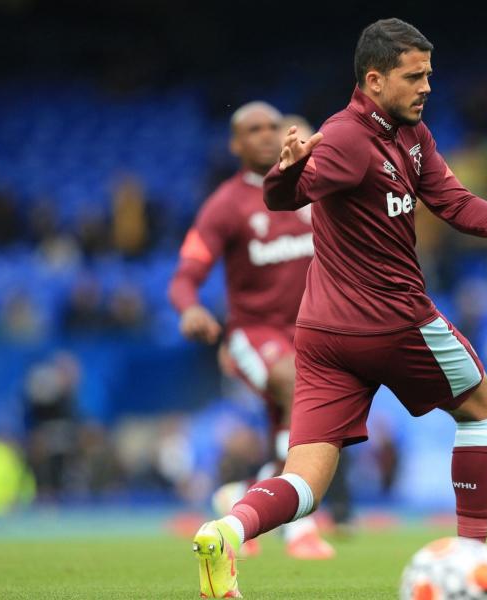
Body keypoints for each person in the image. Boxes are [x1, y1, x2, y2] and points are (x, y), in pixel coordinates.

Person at [190, 18, 487, 598]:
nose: (427, 87)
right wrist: (287, 171)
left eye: (429, 75)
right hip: (391, 320)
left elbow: (453, 203)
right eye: (414, 77)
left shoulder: (411, 138)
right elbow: (288, 195)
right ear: (374, 79)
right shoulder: (346, 138)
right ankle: (472, 559)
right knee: (481, 403)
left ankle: (227, 531)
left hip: (320, 333)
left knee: (308, 478)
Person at [168, 101, 334, 562]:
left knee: (311, 432)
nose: (266, 135)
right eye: (254, 129)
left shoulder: (312, 187)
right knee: (299, 388)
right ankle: (302, 531)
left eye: (273, 127)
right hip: (253, 335)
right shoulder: (225, 205)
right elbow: (185, 275)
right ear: (235, 144)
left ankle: (240, 497)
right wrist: (190, 309)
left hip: (314, 335)